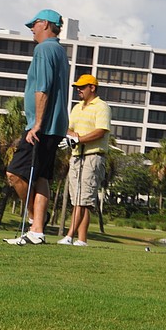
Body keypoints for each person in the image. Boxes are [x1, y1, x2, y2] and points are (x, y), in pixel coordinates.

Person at [5, 9, 70, 245]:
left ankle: (35, 220)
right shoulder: (60, 52)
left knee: (14, 174)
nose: (31, 28)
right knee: (41, 177)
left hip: (41, 126)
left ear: (45, 24)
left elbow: (42, 88)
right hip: (57, 127)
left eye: (34, 24)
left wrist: (37, 125)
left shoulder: (43, 50)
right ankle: (37, 232)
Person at [58, 74, 110, 247]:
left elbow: (100, 131)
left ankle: (70, 235)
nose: (78, 90)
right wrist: (72, 136)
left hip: (93, 156)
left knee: (83, 199)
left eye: (82, 87)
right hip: (76, 156)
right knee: (79, 200)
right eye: (77, 87)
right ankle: (82, 240)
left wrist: (79, 139)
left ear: (92, 88)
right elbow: (69, 128)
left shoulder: (101, 107)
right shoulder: (77, 107)